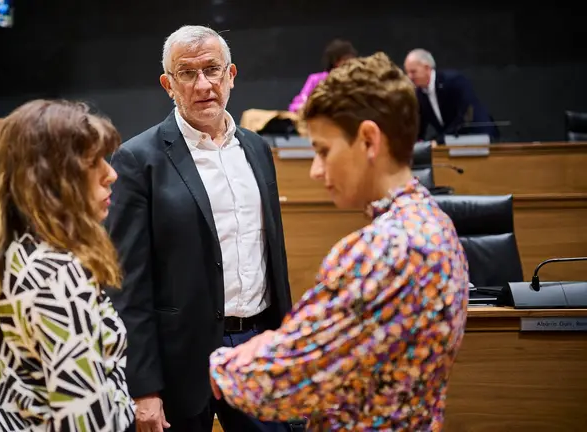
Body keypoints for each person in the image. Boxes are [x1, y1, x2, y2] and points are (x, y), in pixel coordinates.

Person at [210, 52, 470, 430]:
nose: (316, 171)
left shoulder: (379, 251)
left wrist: (219, 365)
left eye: (323, 151)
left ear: (368, 140)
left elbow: (287, 380)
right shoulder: (438, 224)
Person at [105, 25, 295, 432]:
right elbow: (127, 284)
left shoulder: (257, 149)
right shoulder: (138, 159)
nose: (203, 85)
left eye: (212, 69)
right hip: (179, 359)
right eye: (187, 74)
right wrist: (142, 387)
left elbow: (273, 258)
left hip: (258, 344)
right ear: (168, 85)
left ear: (231, 75)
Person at [0, 99, 135, 432]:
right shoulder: (58, 278)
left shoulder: (14, 252)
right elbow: (87, 423)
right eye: (93, 162)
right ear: (51, 179)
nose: (111, 174)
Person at [404, 48, 499, 142]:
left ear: (427, 68)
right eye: (407, 72)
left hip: (478, 137)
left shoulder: (454, 81)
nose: (409, 77)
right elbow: (419, 126)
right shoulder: (419, 94)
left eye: (413, 72)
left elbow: (466, 115)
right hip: (452, 142)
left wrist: (439, 140)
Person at [288, 39, 357, 113]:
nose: (349, 63)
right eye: (344, 59)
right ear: (334, 61)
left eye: (351, 59)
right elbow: (300, 103)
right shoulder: (315, 80)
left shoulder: (356, 80)